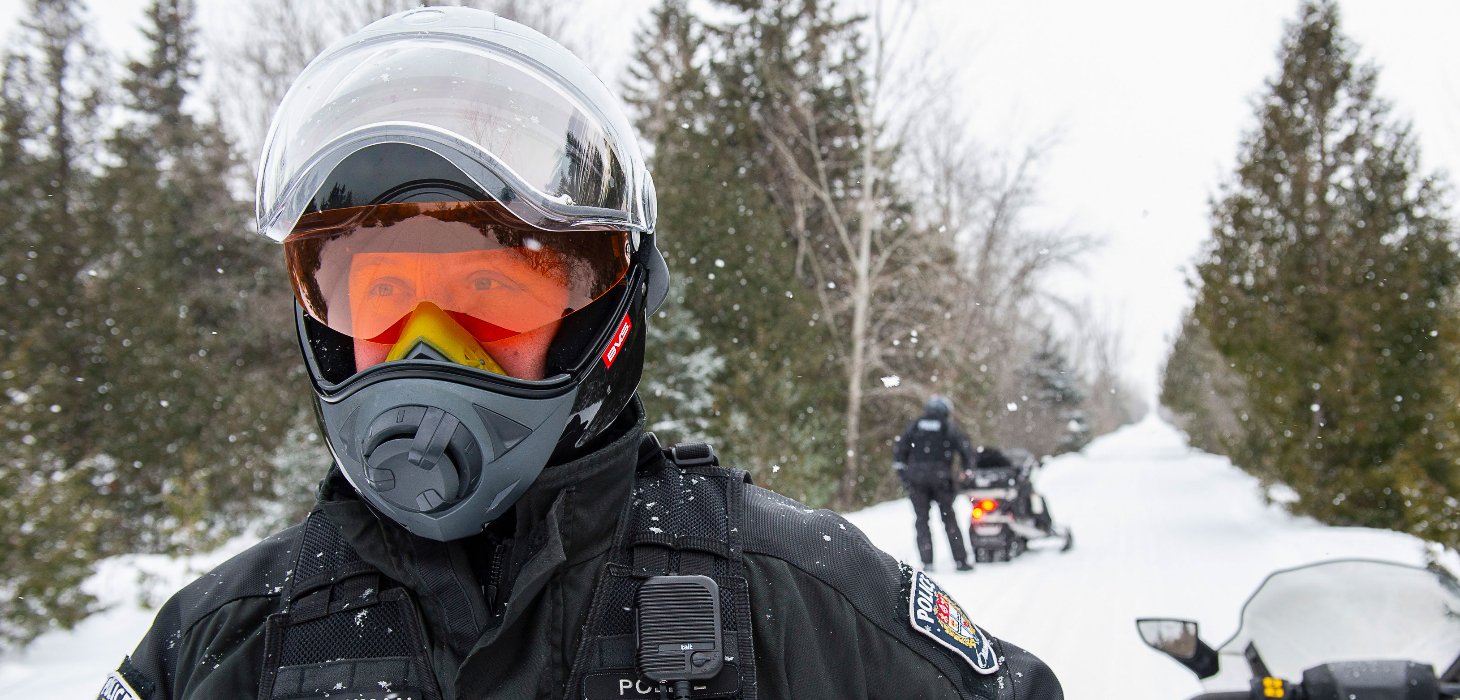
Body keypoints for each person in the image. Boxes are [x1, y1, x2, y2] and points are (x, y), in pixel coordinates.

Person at [101, 8, 1062, 700]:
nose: (426, 349)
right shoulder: (228, 639)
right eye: (386, 299)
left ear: (608, 312)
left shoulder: (786, 589)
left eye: (487, 295)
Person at [894, 395, 977, 572]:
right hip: (941, 480)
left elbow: (899, 452)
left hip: (917, 480)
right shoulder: (948, 427)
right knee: (949, 519)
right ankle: (961, 561)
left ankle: (927, 562)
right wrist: (967, 471)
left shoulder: (915, 426)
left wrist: (906, 477)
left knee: (922, 521)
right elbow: (965, 450)